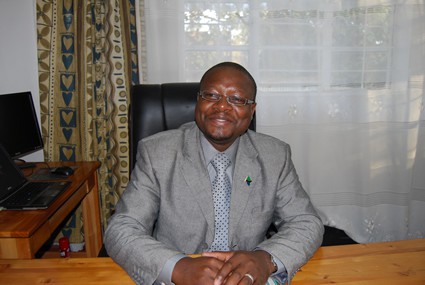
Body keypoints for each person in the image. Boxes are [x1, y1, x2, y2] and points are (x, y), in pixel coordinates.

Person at [104, 62, 324, 285]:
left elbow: (306, 222)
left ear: (252, 110)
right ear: (198, 101)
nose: (222, 107)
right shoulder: (157, 153)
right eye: (211, 95)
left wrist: (264, 261)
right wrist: (178, 267)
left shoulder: (275, 156)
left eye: (237, 99)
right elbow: (122, 228)